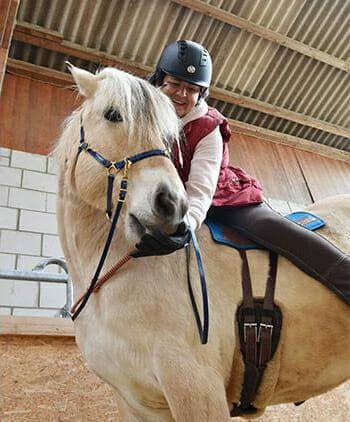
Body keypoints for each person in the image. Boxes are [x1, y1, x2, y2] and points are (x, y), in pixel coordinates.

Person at [134, 40, 349, 306]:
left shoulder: (208, 125)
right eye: (175, 84)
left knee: (280, 232)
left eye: (191, 89)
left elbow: (201, 189)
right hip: (169, 197)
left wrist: (186, 226)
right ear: (160, 79)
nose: (181, 94)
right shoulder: (141, 114)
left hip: (221, 199)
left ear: (201, 94)